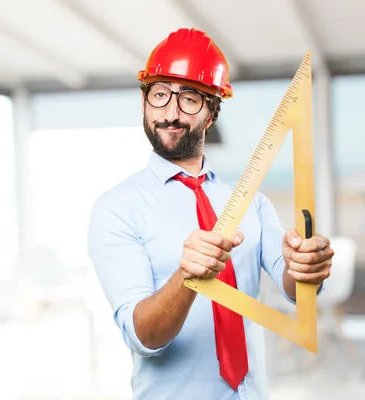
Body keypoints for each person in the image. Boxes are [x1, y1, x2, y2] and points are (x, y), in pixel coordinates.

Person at [87, 28, 335, 400]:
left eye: (188, 98)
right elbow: (143, 335)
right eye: (159, 95)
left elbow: (294, 287)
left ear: (212, 112)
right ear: (143, 103)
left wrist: (306, 268)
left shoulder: (251, 201)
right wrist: (186, 276)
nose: (170, 113)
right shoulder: (117, 209)